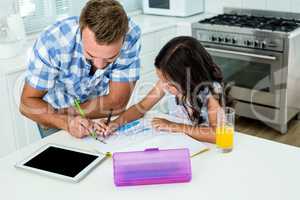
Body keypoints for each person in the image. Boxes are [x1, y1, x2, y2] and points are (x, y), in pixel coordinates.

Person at [19, 0, 141, 138]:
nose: (100, 66)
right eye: (90, 55)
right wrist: (65, 121)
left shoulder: (131, 36)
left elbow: (117, 102)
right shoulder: (52, 41)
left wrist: (67, 114)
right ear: (80, 30)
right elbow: (27, 103)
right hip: (54, 119)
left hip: (98, 116)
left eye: (110, 58)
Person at [94, 36, 226, 143]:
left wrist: (174, 126)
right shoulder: (167, 82)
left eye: (169, 83)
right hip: (178, 142)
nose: (164, 85)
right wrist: (115, 123)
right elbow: (142, 107)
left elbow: (219, 135)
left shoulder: (211, 93)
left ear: (189, 80)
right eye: (162, 80)